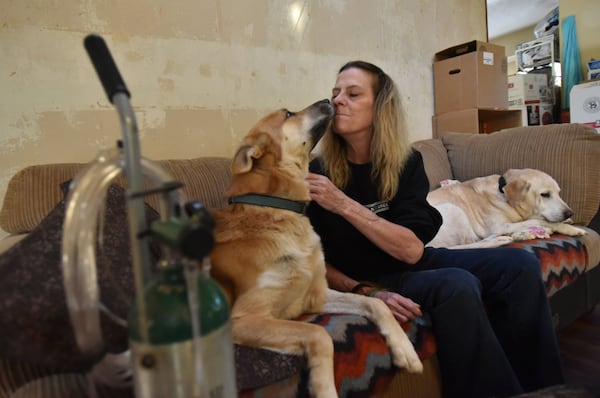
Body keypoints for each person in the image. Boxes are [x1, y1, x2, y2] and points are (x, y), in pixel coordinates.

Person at [306, 60, 564, 398]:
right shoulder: (317, 171)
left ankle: (549, 390)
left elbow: (412, 250)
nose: (338, 100)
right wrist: (363, 290)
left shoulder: (406, 163)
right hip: (373, 276)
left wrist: (341, 204)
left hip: (412, 260)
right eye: (336, 92)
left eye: (353, 93)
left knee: (520, 265)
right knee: (457, 284)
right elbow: (310, 257)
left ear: (381, 109)